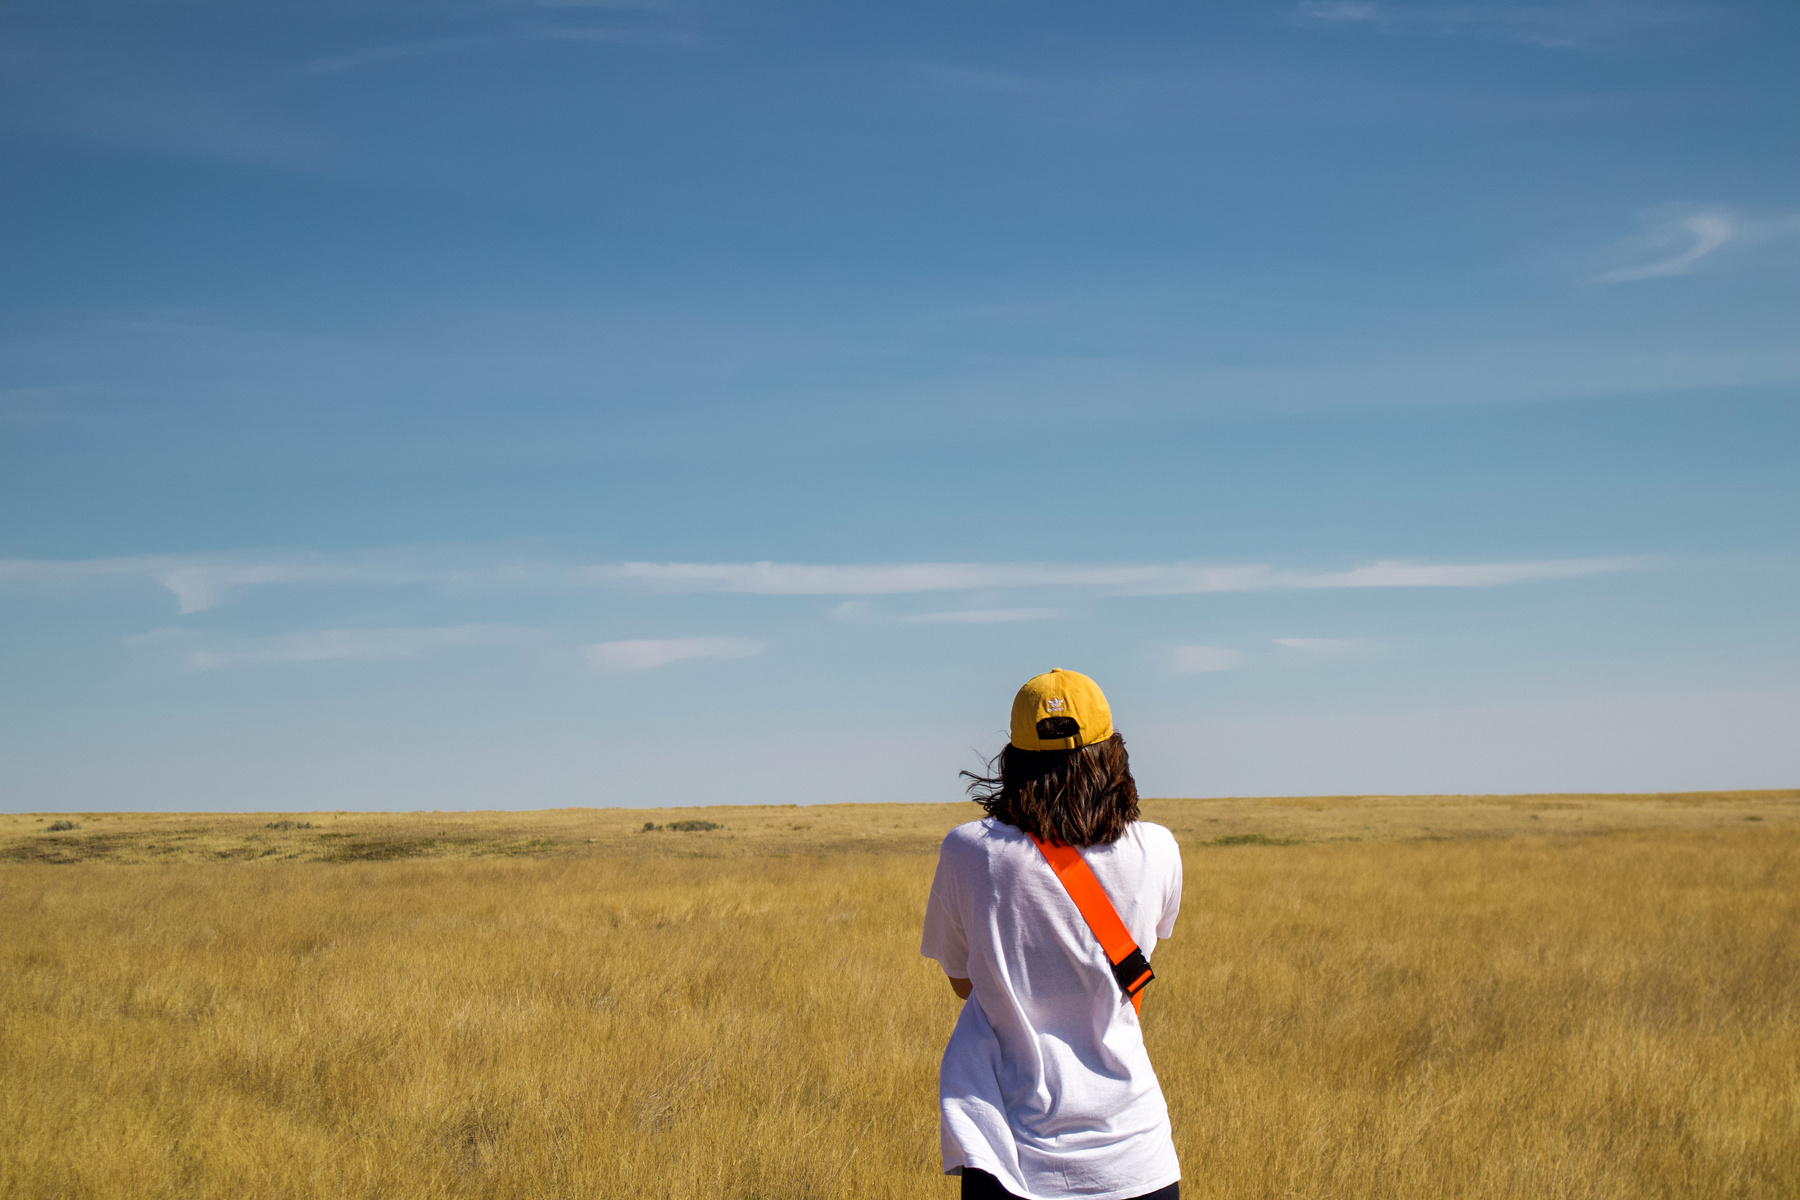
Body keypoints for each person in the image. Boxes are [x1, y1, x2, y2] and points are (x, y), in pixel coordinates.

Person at [921, 669, 1183, 1200]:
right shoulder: (1157, 848)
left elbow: (963, 982)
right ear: (1112, 752)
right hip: (1136, 1158)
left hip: (1007, 1156)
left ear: (1012, 758)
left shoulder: (969, 851)